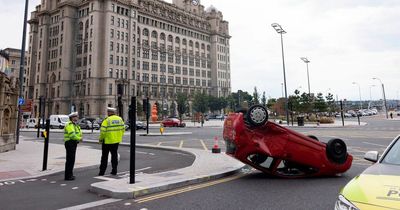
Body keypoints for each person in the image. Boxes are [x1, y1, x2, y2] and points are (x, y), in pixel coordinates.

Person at [99, 107, 125, 176]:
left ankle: (102, 172)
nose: (107, 113)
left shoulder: (107, 120)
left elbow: (103, 131)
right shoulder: (120, 119)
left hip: (107, 141)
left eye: (108, 112)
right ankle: (114, 170)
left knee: (104, 157)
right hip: (116, 141)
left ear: (109, 113)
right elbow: (123, 129)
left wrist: (101, 139)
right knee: (114, 156)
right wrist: (118, 136)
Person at [64, 112, 82, 181]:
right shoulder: (69, 125)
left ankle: (70, 174)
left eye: (77, 116)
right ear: (72, 118)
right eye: (76, 117)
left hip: (73, 143)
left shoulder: (75, 125)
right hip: (70, 143)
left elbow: (78, 133)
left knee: (71, 160)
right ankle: (68, 176)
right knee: (70, 160)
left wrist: (78, 138)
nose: (77, 118)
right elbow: (72, 135)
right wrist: (79, 138)